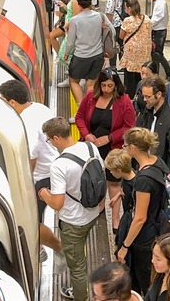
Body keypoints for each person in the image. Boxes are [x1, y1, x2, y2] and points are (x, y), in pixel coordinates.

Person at [39, 117, 103, 301]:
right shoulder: (91, 147)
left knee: (77, 267)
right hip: (92, 213)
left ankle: (81, 296)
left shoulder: (59, 165)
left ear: (57, 137)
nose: (50, 143)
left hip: (74, 222)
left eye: (49, 139)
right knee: (79, 255)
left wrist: (44, 193)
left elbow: (57, 203)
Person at [0, 80, 63, 256]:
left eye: (2, 100)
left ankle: (54, 249)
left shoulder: (26, 121)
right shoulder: (40, 108)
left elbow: (31, 158)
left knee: (32, 219)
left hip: (42, 177)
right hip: (53, 167)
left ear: (12, 102)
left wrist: (24, 184)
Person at [75, 68, 136, 233]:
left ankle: (115, 220)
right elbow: (79, 117)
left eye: (110, 86)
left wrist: (110, 138)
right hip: (92, 147)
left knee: (113, 183)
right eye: (104, 86)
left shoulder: (124, 101)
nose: (107, 90)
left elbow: (129, 126)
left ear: (116, 86)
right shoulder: (90, 97)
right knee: (94, 178)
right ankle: (99, 207)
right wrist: (87, 134)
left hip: (112, 149)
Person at [116, 127, 168, 295]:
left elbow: (140, 218)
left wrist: (124, 246)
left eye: (125, 146)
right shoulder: (157, 161)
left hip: (145, 236)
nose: (124, 149)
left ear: (133, 148)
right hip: (158, 223)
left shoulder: (144, 179)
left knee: (143, 276)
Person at [63, 0, 115, 104]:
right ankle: (90, 109)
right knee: (91, 84)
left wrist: (66, 54)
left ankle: (81, 108)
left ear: (79, 3)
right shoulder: (100, 16)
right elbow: (112, 31)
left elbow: (70, 42)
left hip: (80, 56)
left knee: (74, 81)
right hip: (97, 56)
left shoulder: (75, 20)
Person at [136, 75, 170, 172]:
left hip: (160, 171)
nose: (144, 99)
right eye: (143, 96)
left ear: (159, 94)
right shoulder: (148, 109)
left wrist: (169, 179)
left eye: (148, 96)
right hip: (144, 166)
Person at [119, 0, 152, 99]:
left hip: (131, 53)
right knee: (141, 75)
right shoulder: (147, 19)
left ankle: (130, 97)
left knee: (130, 77)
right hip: (144, 52)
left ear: (129, 8)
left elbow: (121, 35)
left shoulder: (128, 20)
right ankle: (142, 96)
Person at [104, 148, 136, 238]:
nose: (110, 172)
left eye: (111, 170)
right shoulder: (126, 177)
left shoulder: (135, 184)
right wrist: (117, 196)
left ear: (119, 171)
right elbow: (123, 189)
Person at [147, 0, 170, 80]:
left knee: (158, 55)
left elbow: (156, 19)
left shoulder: (161, 3)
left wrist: (147, 25)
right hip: (156, 31)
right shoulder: (158, 2)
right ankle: (155, 73)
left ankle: (169, 73)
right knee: (155, 54)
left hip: (159, 32)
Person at [103, 0, 125, 65]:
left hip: (114, 23)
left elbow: (109, 12)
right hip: (122, 20)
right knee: (121, 45)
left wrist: (107, 25)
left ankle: (113, 66)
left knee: (112, 45)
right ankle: (124, 66)